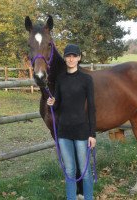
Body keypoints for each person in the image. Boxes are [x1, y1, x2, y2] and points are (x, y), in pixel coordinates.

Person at [47, 44, 96, 200]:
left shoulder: (86, 80)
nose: (71, 59)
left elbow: (92, 107)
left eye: (74, 56)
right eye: (68, 56)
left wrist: (92, 134)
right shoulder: (60, 80)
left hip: (82, 132)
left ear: (79, 58)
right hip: (64, 133)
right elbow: (59, 104)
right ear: (65, 58)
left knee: (85, 171)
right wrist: (52, 102)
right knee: (69, 171)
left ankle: (88, 197)